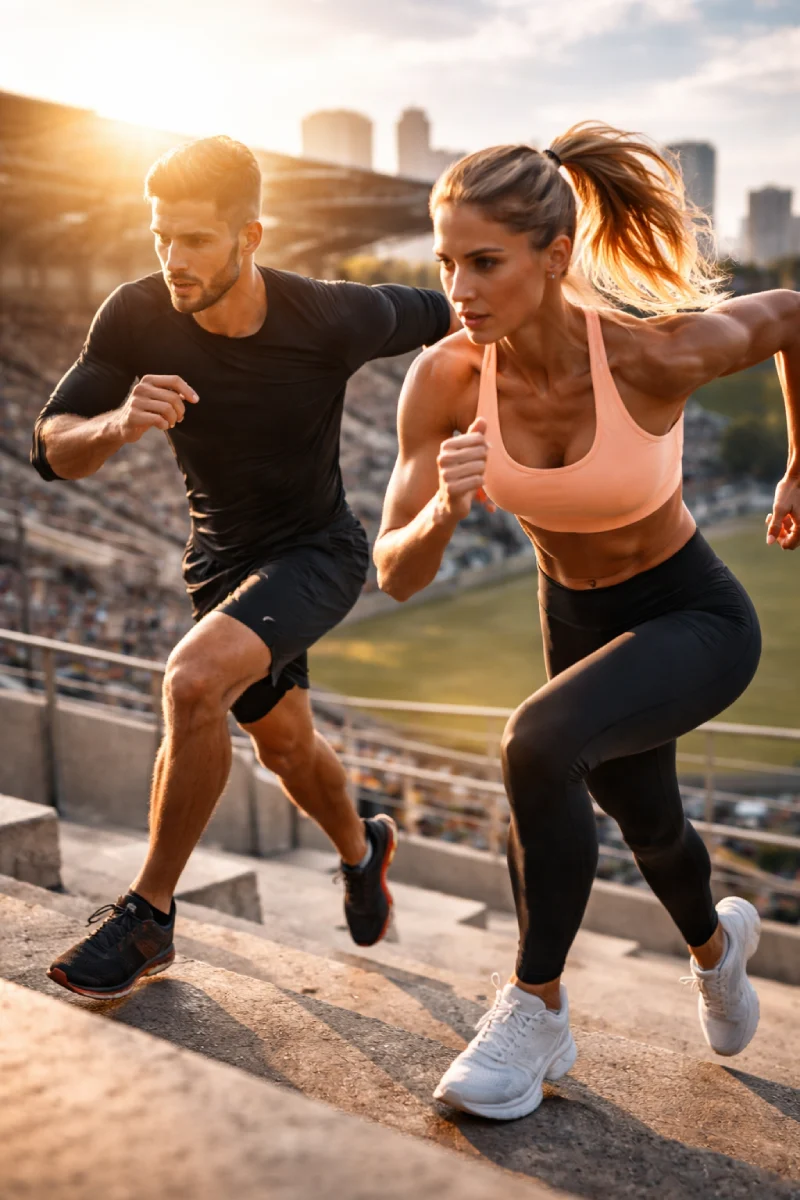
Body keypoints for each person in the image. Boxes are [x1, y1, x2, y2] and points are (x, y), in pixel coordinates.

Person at [374, 122, 799, 1121]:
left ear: (553, 256)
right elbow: (393, 575)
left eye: (483, 261)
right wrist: (443, 506)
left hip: (691, 614)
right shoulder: (444, 379)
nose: (458, 288)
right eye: (445, 263)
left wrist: (794, 460)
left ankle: (535, 1009)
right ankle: (716, 949)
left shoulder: (652, 357)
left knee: (534, 742)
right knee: (649, 825)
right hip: (576, 624)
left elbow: (788, 315)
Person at [31, 134, 456, 1000]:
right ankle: (361, 849)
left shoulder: (333, 316)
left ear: (250, 236)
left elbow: (464, 307)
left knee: (193, 683)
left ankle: (148, 918)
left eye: (194, 239)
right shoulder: (136, 314)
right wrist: (113, 424)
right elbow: (50, 446)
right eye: (161, 237)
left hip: (317, 552)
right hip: (219, 565)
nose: (173, 259)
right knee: (290, 749)